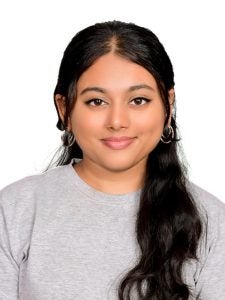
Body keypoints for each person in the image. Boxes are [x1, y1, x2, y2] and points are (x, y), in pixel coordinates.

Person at [0, 20, 225, 300]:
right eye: (96, 101)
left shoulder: (212, 220)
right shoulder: (14, 210)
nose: (117, 121)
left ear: (168, 106)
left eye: (139, 100)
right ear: (64, 108)